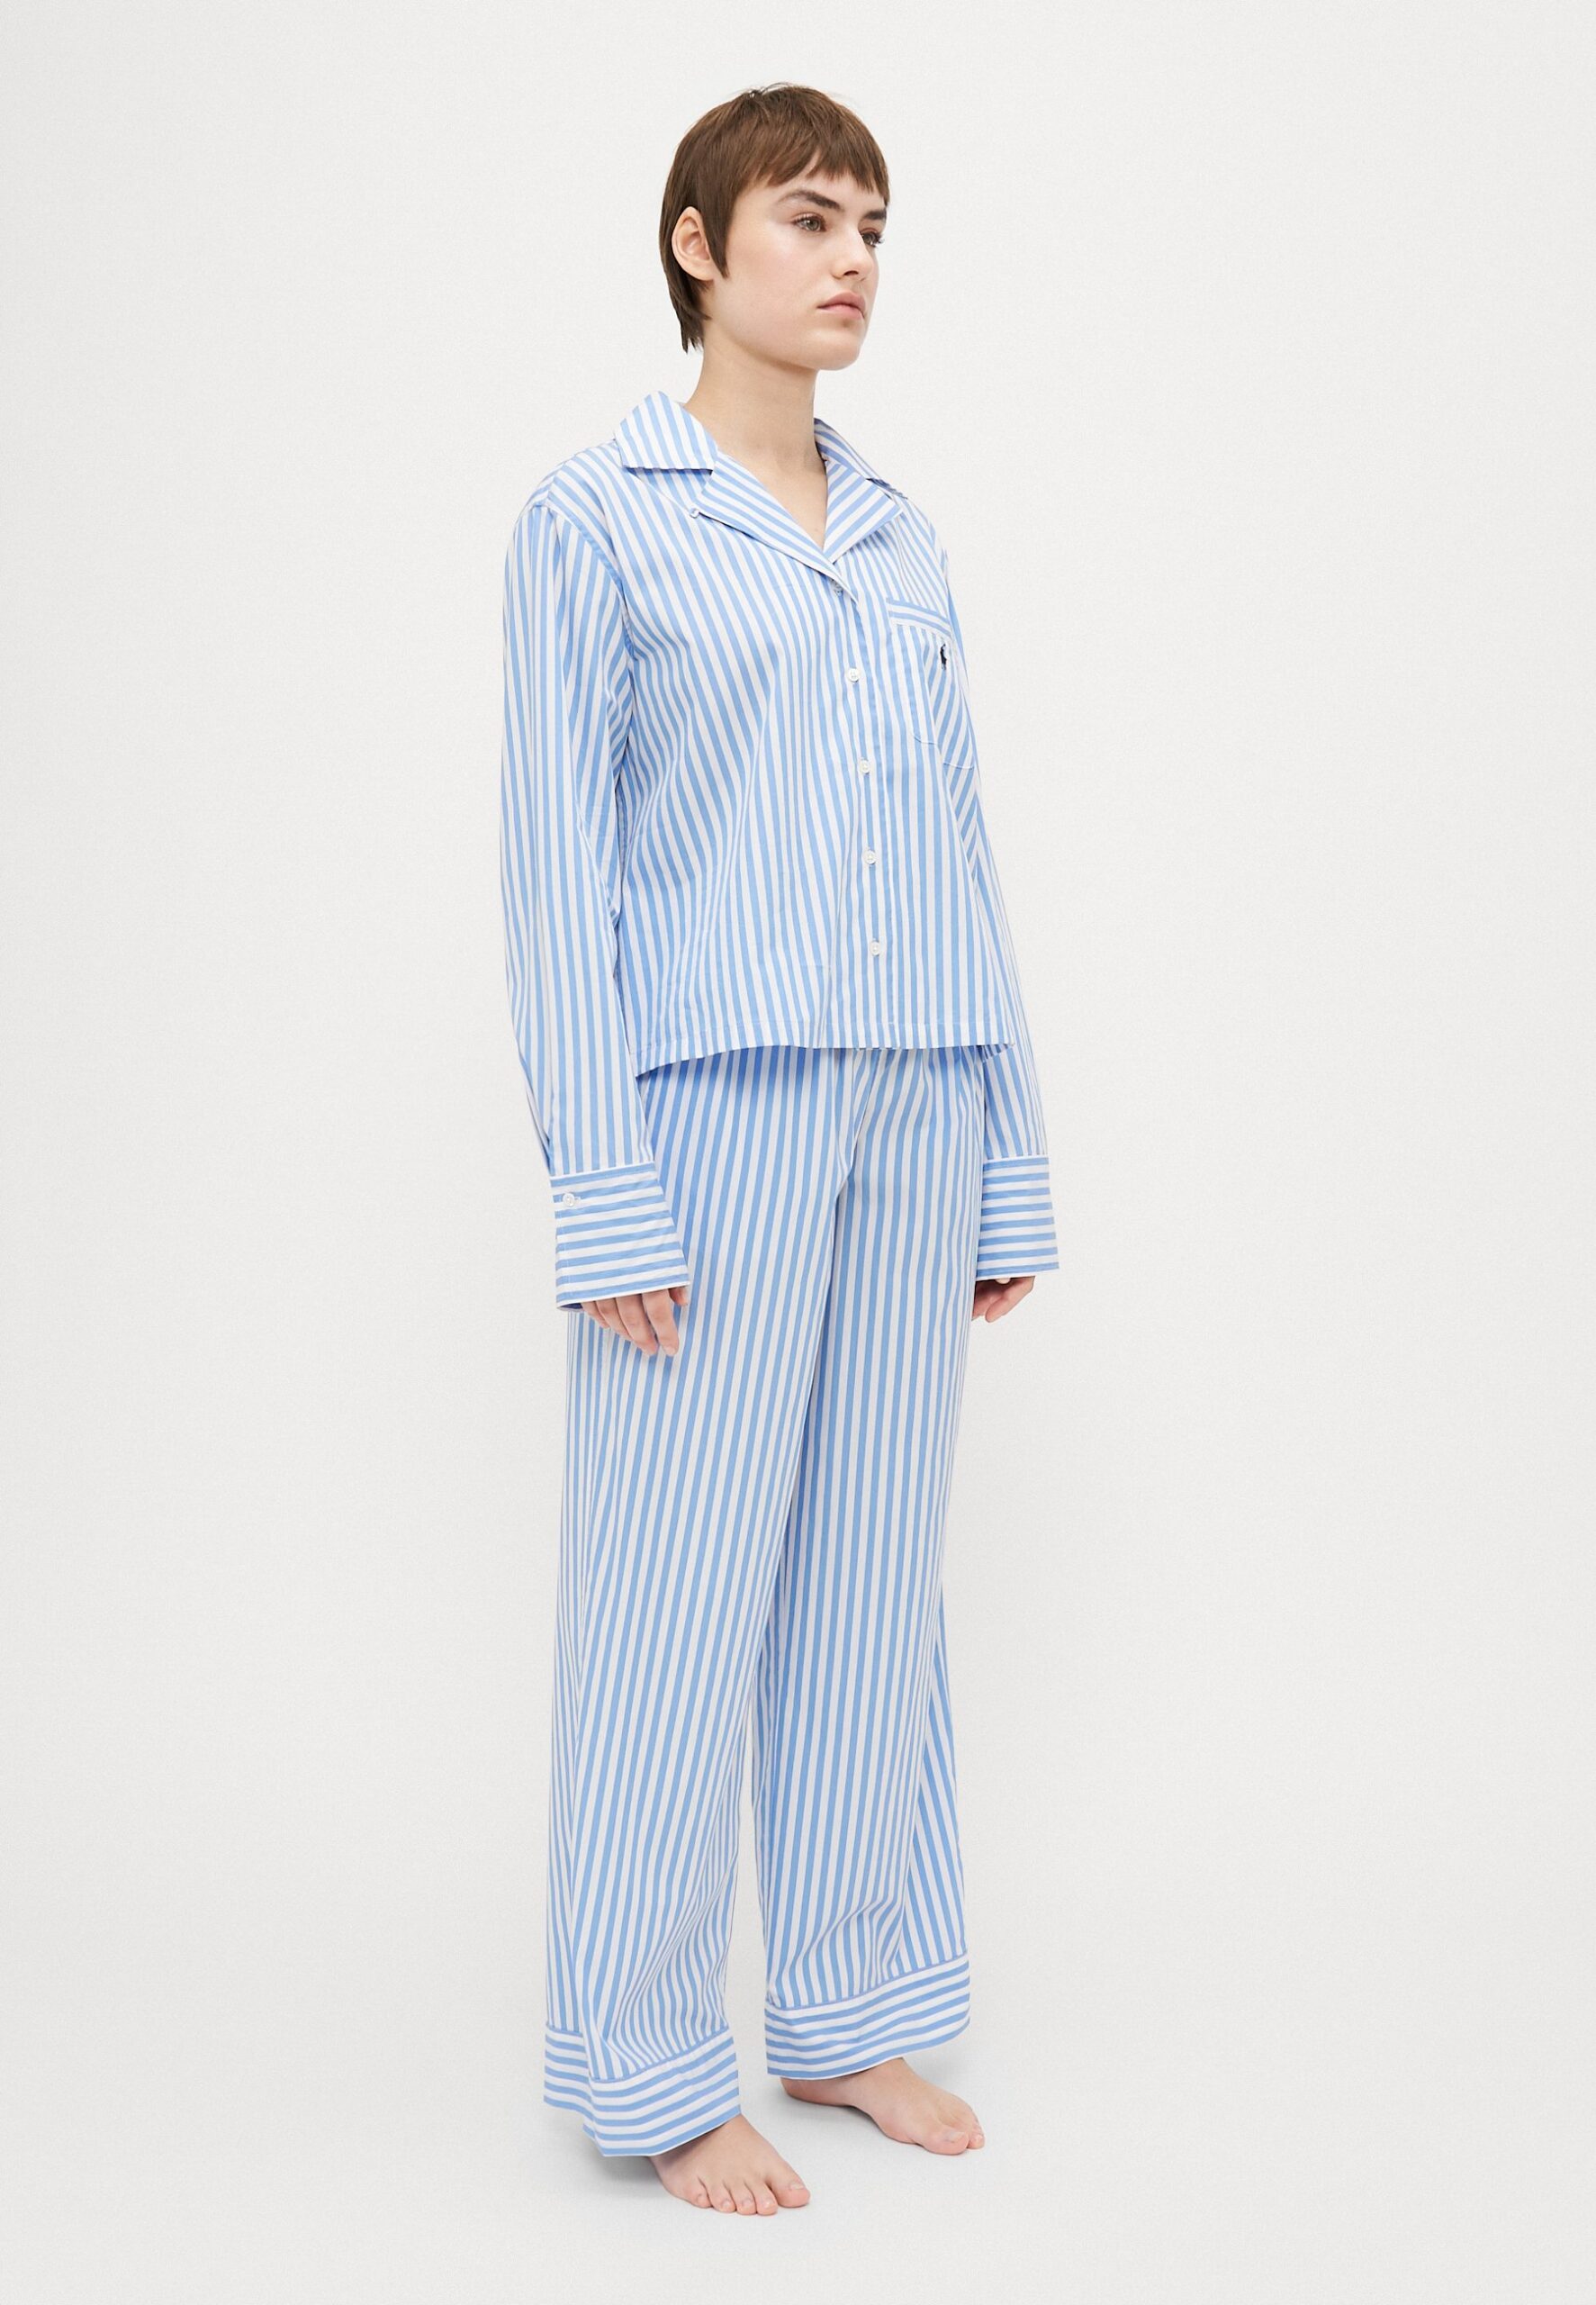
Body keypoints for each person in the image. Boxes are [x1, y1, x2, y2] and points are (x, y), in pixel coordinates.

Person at [498, 81, 1059, 2215]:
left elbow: (958, 846)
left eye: (872, 228)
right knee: (669, 1593)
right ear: (696, 243)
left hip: (915, 1094)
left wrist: (1005, 1150)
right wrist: (604, 1186)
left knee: (870, 1583)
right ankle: (647, 2064)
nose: (850, 261)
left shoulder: (901, 537)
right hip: (711, 1111)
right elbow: (557, 874)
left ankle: (846, 2003)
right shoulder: (597, 515)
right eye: (809, 219)